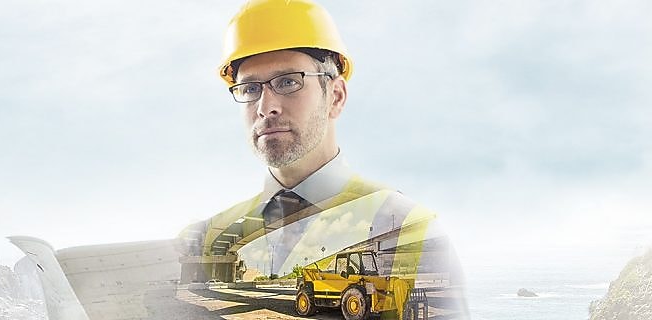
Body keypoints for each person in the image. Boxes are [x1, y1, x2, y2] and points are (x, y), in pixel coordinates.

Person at [177, 0, 469, 319]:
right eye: (249, 88)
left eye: (288, 81)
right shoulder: (208, 237)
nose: (265, 107)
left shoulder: (413, 227)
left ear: (336, 97)